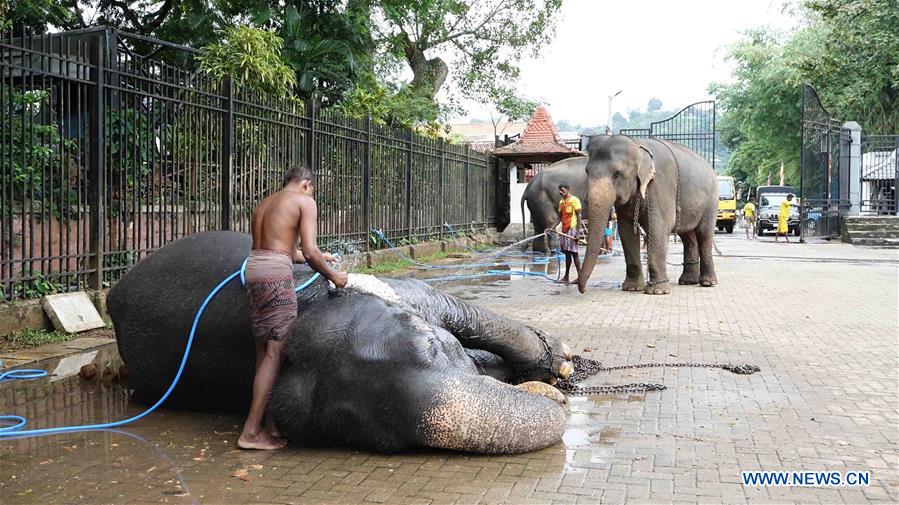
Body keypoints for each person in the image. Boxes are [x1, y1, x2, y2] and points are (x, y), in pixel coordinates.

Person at [238, 165, 348, 451]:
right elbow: (309, 251)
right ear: (307, 184)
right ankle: (250, 433)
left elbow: (278, 248)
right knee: (277, 353)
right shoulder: (304, 201)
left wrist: (312, 255)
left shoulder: (265, 203)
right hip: (275, 276)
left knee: (264, 351)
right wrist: (334, 276)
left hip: (254, 271)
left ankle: (270, 427)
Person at [552, 183, 582, 283]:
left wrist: (577, 233)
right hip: (564, 230)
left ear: (568, 189)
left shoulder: (575, 200)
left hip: (572, 229)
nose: (561, 192)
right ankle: (566, 277)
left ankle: (580, 278)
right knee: (567, 254)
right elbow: (560, 217)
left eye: (562, 190)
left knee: (574, 253)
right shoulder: (561, 202)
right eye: (559, 190)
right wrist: (552, 228)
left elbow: (579, 216)